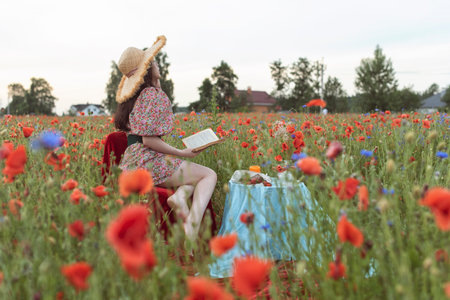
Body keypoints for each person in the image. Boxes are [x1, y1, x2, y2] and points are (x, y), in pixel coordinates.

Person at [114, 36, 217, 243]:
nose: (157, 63)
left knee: (189, 172)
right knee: (208, 175)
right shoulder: (152, 95)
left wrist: (154, 79)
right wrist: (181, 152)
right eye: (153, 61)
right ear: (147, 68)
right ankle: (192, 227)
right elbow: (149, 141)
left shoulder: (136, 96)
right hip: (148, 161)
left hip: (132, 163)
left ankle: (179, 197)